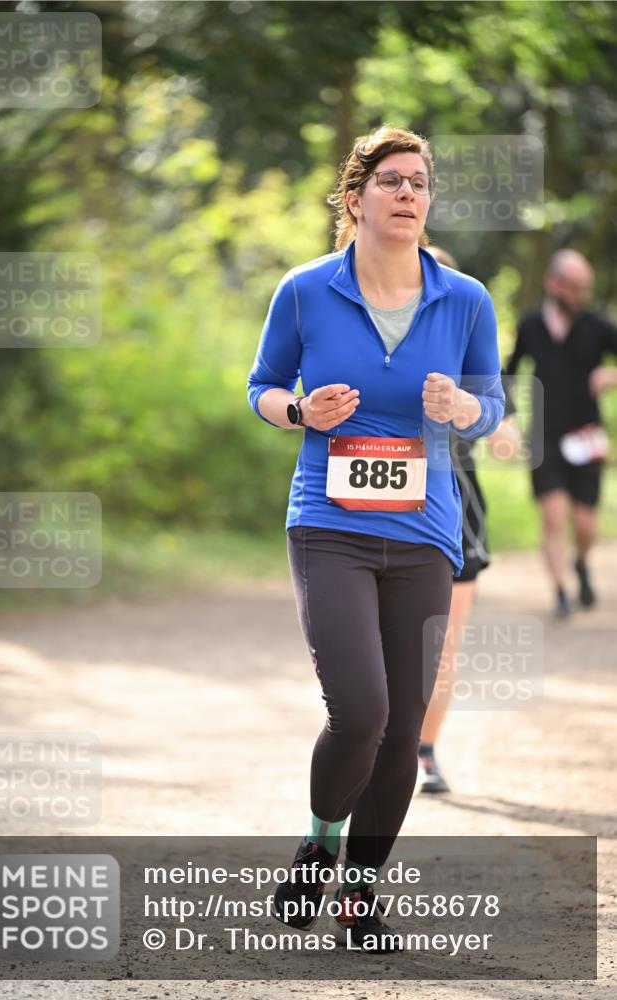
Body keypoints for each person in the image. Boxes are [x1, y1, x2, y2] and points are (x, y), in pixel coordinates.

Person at [247, 125, 505, 952]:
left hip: (426, 533)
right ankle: (320, 850)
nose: (407, 193)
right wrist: (297, 410)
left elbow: (491, 403)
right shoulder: (305, 290)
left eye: (419, 182)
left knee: (402, 729)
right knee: (360, 711)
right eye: (391, 180)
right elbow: (261, 386)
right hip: (329, 527)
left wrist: (462, 411)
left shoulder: (463, 298)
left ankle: (359, 897)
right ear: (355, 199)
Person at [417, 247, 521, 794]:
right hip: (378, 508)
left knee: (442, 642)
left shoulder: (472, 350)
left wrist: (467, 410)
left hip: (457, 507)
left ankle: (426, 752)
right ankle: (372, 739)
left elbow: (507, 439)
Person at [506, 250, 617, 618]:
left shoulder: (598, 326)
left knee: (585, 523)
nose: (580, 295)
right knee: (553, 517)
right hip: (544, 436)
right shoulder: (532, 324)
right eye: (573, 287)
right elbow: (510, 371)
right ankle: (560, 592)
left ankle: (582, 563)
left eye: (584, 288)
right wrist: (506, 416)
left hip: (587, 436)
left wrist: (610, 375)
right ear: (553, 284)